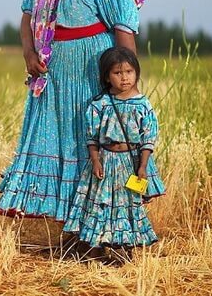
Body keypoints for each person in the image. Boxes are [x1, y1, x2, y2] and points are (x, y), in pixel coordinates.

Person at [0, 0, 141, 222]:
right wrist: (29, 54)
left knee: (90, 141)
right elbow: (27, 17)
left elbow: (124, 27)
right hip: (53, 72)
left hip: (92, 71)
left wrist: (126, 81)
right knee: (57, 139)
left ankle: (102, 228)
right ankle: (67, 225)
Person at [63, 47, 166, 263]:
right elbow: (91, 137)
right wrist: (95, 160)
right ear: (107, 77)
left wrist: (143, 166)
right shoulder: (99, 104)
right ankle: (95, 250)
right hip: (106, 161)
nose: (124, 77)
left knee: (128, 205)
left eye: (129, 72)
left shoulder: (143, 104)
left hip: (131, 162)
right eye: (117, 73)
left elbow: (148, 138)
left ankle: (123, 251)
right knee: (101, 205)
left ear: (136, 73)